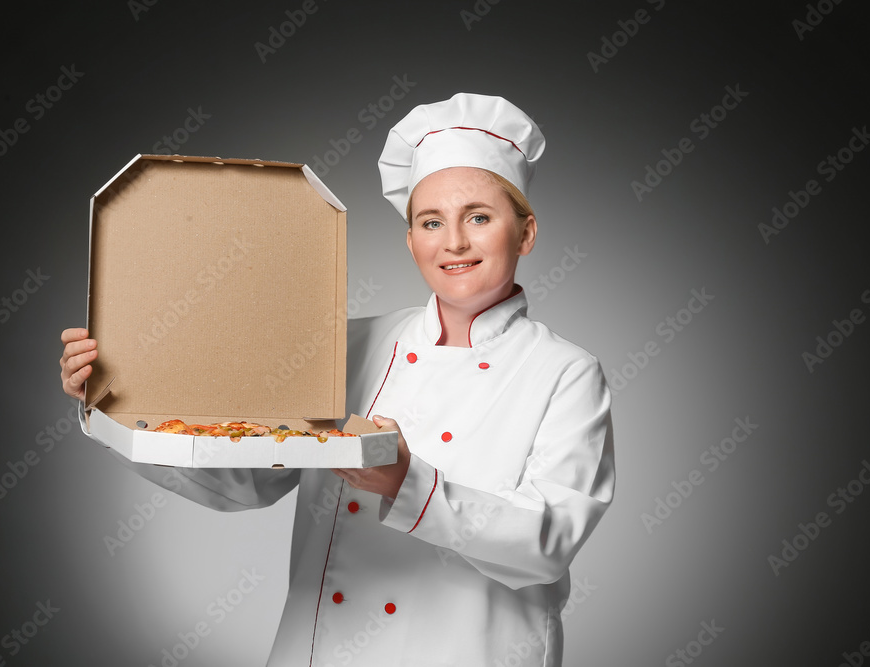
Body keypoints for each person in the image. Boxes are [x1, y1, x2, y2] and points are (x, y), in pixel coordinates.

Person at [60, 92, 615, 666]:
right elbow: (248, 480)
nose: (453, 242)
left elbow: (549, 542)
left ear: (524, 233)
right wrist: (111, 403)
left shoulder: (565, 373)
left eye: (478, 217)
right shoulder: (347, 344)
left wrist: (408, 484)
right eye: (431, 221)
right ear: (411, 240)